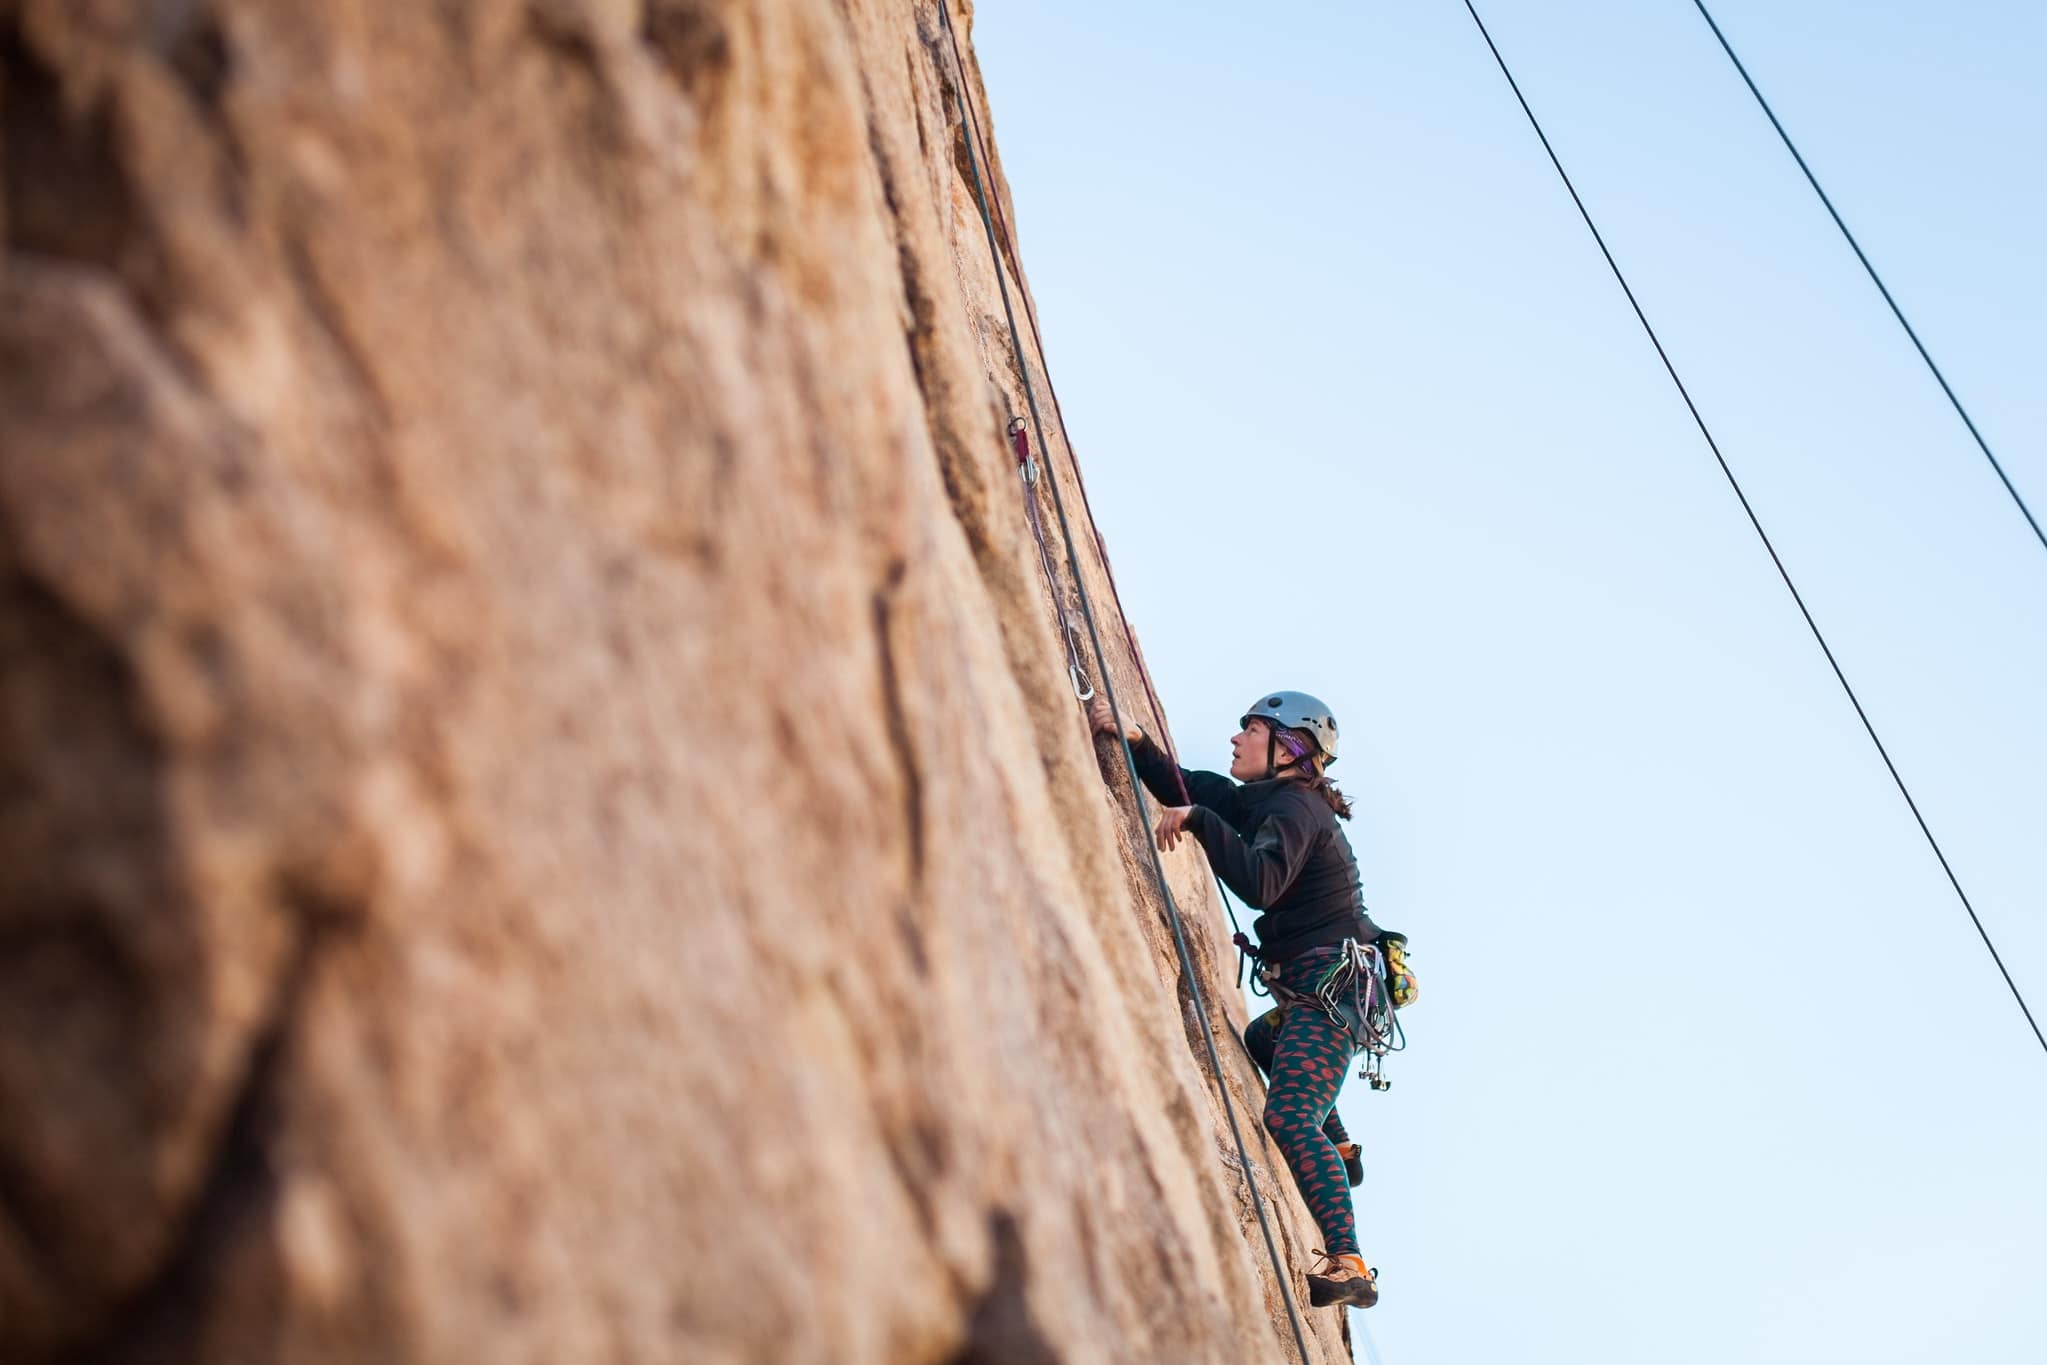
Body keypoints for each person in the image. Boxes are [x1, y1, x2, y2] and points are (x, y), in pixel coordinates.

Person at [1089, 690, 1384, 1311]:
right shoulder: (1274, 800)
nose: (1235, 738)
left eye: (1250, 729)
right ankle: (1343, 1147)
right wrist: (1137, 741)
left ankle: (1350, 1259)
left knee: (1288, 1117)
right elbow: (1196, 788)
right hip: (1318, 992)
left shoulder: (1298, 810)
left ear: (1288, 748)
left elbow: (1259, 881)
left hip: (1331, 995)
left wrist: (1199, 822)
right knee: (1263, 1041)